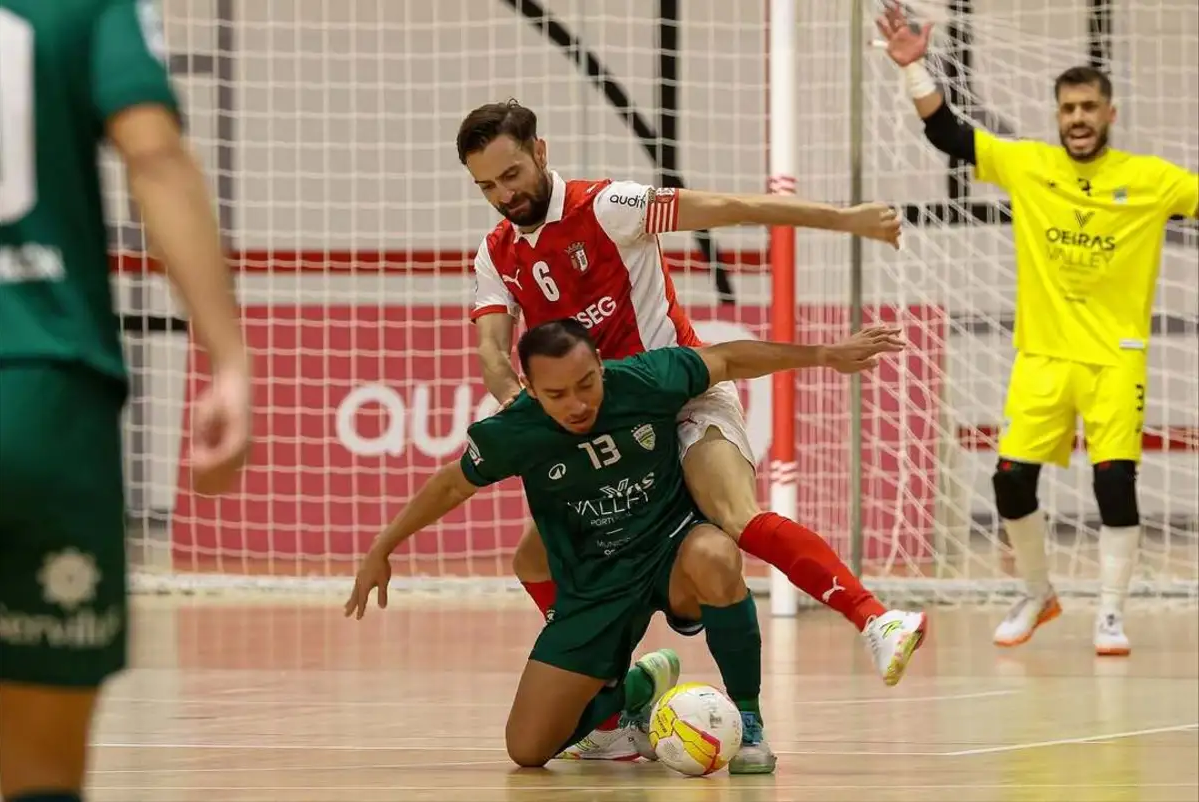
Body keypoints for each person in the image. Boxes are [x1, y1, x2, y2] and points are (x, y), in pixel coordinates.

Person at [455, 100, 927, 698]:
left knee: (735, 515)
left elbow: (735, 208)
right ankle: (613, 694)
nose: (504, 194)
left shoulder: (607, 206)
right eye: (487, 185)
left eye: (512, 175)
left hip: (681, 399)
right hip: (598, 426)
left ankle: (876, 618)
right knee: (537, 560)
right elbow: (494, 351)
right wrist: (519, 407)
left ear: (540, 152)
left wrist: (846, 220)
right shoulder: (496, 253)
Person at [345, 319, 909, 774]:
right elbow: (450, 484)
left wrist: (825, 354)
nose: (577, 404)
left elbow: (729, 359)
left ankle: (748, 716)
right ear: (531, 390)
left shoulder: (642, 379)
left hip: (671, 555)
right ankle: (630, 689)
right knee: (527, 750)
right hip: (595, 589)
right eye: (557, 394)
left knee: (716, 551)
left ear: (599, 366)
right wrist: (383, 547)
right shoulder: (514, 431)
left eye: (587, 383)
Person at [875, 2, 1199, 655]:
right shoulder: (1029, 165)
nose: (1077, 119)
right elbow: (950, 135)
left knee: (1114, 483)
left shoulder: (1152, 181)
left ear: (1110, 114)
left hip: (1116, 358)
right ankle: (1037, 591)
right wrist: (914, 69)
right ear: (1058, 116)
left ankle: (1110, 613)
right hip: (1043, 358)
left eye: (1088, 108)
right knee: (1010, 480)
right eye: (1068, 109)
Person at [0, 2, 253, 800]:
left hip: (43, 391)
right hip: (40, 393)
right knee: (40, 771)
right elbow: (153, 153)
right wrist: (230, 360)